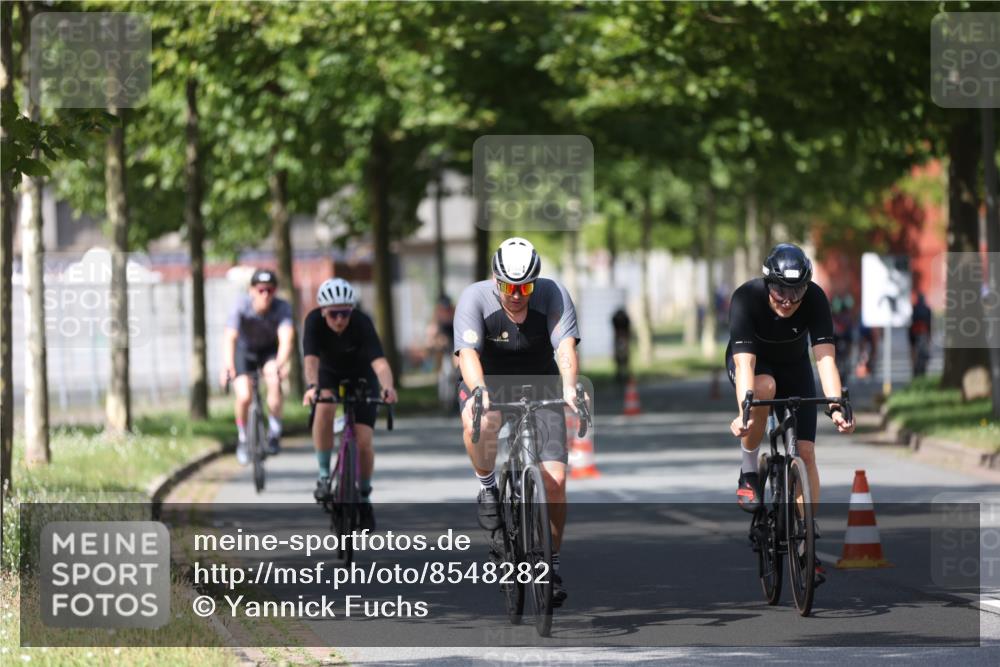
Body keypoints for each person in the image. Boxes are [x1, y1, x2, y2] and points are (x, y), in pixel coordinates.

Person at [453, 237, 581, 607]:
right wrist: (479, 391)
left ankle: (550, 563)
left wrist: (570, 388)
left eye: (525, 287)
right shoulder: (474, 298)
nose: (516, 295)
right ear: (496, 280)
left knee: (555, 481)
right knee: (480, 421)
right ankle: (488, 487)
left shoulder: (553, 294)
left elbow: (565, 348)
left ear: (535, 283)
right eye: (508, 287)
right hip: (489, 383)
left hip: (541, 385)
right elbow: (467, 355)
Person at [726, 244, 856, 580]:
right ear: (767, 283)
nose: (787, 300)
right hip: (755, 367)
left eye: (796, 291)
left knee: (807, 453)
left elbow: (824, 359)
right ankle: (749, 468)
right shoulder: (746, 298)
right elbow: (745, 366)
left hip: (795, 367)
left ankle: (805, 538)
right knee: (764, 388)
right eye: (780, 290)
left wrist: (836, 405)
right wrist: (744, 413)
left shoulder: (816, 299)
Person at [302, 278, 398, 531]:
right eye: (333, 314)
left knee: (364, 441)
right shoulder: (313, 322)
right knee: (324, 406)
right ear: (323, 311)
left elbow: (379, 363)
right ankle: (324, 476)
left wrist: (388, 387)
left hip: (362, 376)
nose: (339, 319)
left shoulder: (362, 322)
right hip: (328, 375)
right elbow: (310, 360)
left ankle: (364, 496)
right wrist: (312, 387)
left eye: (344, 313)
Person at [220, 268, 295, 464]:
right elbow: (230, 336)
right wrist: (228, 365)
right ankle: (243, 438)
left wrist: (280, 363)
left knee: (273, 380)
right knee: (244, 395)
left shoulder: (282, 307)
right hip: (244, 351)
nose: (265, 295)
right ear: (252, 290)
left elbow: (286, 339)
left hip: (268, 351)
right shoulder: (241, 305)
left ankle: (274, 432)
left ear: (275, 291)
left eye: (270, 290)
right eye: (261, 290)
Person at [909, 292, 932, 377]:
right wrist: (930, 335)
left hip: (914, 332)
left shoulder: (914, 308)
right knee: (925, 350)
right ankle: (922, 368)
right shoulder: (927, 309)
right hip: (923, 332)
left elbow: (910, 321)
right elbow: (930, 323)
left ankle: (914, 367)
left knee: (913, 349)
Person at [611, 306, 631, 385]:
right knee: (619, 357)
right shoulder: (618, 320)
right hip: (619, 338)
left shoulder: (625, 320)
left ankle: (624, 373)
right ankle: (620, 373)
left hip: (623, 338)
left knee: (624, 357)